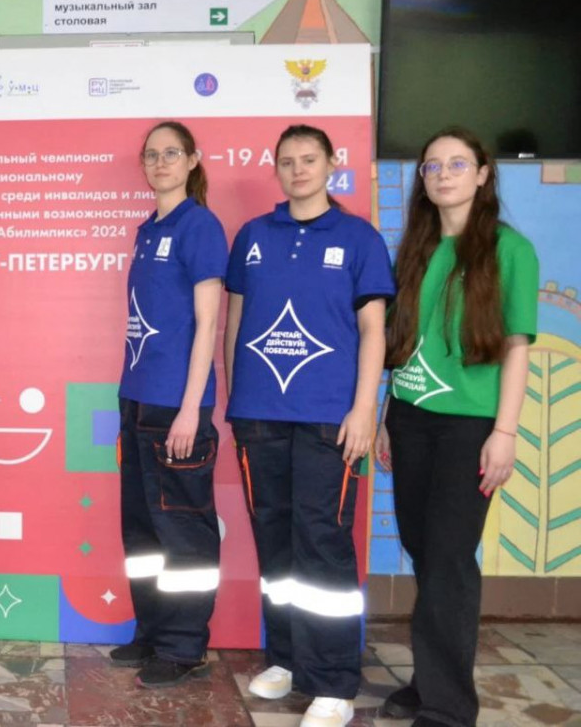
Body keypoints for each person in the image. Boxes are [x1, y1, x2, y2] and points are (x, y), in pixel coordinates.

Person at [224, 125, 393, 727]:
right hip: (258, 418)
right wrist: (237, 396)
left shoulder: (359, 238)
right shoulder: (252, 236)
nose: (298, 170)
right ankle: (288, 660)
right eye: (288, 161)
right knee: (275, 540)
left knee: (323, 545)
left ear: (331, 164)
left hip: (329, 420)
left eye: (309, 159)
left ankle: (334, 681)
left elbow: (374, 329)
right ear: (276, 168)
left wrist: (364, 409)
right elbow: (235, 321)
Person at [375, 128, 537, 727]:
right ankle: (429, 681)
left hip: (470, 427)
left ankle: (448, 707)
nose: (443, 174)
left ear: (484, 174)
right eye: (432, 166)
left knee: (448, 559)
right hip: (410, 419)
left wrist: (505, 432)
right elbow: (402, 344)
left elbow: (517, 347)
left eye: (457, 164)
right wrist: (387, 417)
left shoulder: (509, 249)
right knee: (424, 550)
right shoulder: (415, 249)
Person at [114, 121, 228, 688]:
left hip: (176, 408)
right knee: (142, 532)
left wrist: (191, 409)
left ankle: (184, 648)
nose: (161, 163)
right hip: (136, 400)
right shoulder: (148, 229)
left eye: (172, 153)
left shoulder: (199, 225)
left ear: (192, 160)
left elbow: (208, 323)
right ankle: (152, 631)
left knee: (183, 533)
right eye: (152, 155)